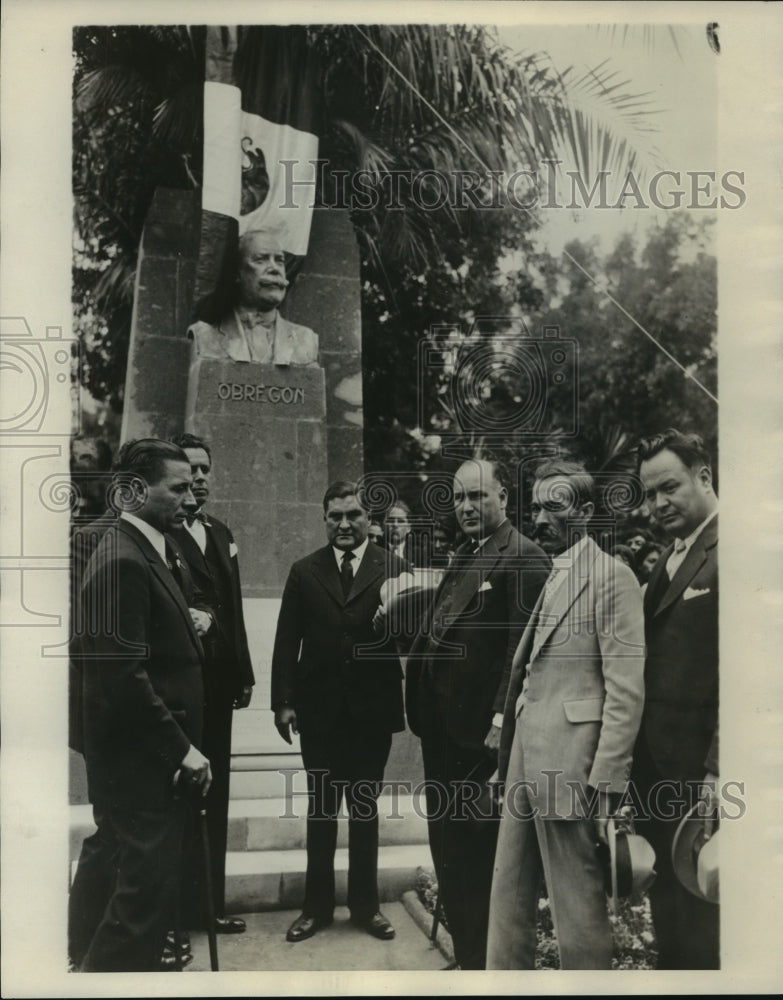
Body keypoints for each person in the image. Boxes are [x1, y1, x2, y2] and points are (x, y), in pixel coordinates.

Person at [486, 459, 646, 970]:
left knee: (577, 906)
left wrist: (607, 780)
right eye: (535, 507)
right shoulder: (555, 573)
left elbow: (625, 690)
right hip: (525, 759)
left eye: (554, 507)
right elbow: (530, 675)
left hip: (572, 765)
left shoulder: (613, 577)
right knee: (507, 896)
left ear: (586, 511)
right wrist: (507, 761)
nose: (539, 518)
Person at [68, 439, 212, 972]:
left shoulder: (148, 546)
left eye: (192, 487)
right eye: (177, 488)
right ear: (133, 491)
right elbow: (121, 677)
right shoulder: (124, 559)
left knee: (130, 883)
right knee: (140, 904)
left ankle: (89, 966)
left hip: (141, 757)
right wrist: (181, 750)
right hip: (142, 761)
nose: (191, 499)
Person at [405, 458, 549, 969]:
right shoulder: (467, 552)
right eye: (459, 497)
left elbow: (521, 650)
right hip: (442, 734)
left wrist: (499, 722)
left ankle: (485, 966)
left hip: (479, 740)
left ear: (503, 498)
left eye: (477, 496)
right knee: (448, 852)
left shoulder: (523, 556)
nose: (465, 507)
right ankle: (468, 957)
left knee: (478, 858)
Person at [270, 481, 408, 942]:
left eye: (353, 515)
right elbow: (286, 640)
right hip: (320, 713)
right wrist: (284, 703)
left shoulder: (395, 568)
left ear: (369, 519)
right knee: (322, 811)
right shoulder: (304, 571)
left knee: (365, 811)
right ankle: (316, 908)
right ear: (324, 519)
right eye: (335, 516)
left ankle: (367, 908)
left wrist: (399, 627)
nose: (344, 524)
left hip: (372, 712)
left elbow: (413, 636)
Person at [634, 429, 719, 969]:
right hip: (658, 773)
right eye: (649, 494)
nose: (658, 504)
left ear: (703, 477)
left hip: (701, 777)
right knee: (671, 912)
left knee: (706, 916)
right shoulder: (669, 556)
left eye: (669, 487)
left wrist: (718, 771)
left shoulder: (734, 550)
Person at [169, 433, 255, 939]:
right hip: (182, 685)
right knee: (181, 793)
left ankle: (208, 907)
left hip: (219, 684)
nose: (199, 479)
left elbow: (234, 606)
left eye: (205, 470)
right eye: (190, 470)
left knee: (215, 794)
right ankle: (173, 915)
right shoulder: (163, 532)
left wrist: (244, 671)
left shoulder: (221, 531)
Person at [188, 229, 318, 366]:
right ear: (237, 272)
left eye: (279, 261)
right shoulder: (205, 335)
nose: (275, 269)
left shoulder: (306, 339)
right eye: (261, 260)